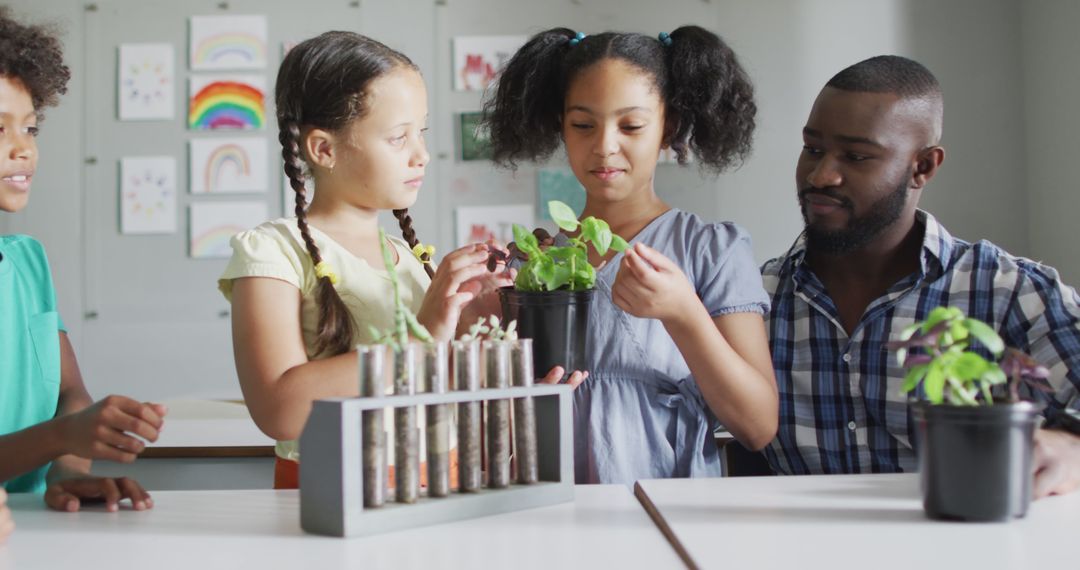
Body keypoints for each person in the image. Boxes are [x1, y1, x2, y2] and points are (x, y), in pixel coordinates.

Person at [219, 31, 579, 489]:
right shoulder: (271, 252)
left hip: (443, 487)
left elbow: (446, 400)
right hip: (334, 495)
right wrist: (423, 338)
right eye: (397, 138)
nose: (422, 155)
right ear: (323, 150)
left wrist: (516, 388)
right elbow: (279, 410)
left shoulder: (408, 259)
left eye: (421, 133)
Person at [761, 55, 1080, 497]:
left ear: (924, 167)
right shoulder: (758, 298)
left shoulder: (1011, 292)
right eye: (813, 149)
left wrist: (1069, 447)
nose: (821, 175)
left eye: (855, 156)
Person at [483, 26, 778, 484]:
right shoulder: (531, 263)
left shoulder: (711, 250)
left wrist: (684, 314)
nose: (604, 146)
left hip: (669, 520)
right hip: (551, 518)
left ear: (669, 128)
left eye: (631, 125)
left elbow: (757, 427)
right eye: (583, 124)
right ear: (560, 125)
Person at [0, 7, 166, 512]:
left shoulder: (26, 262)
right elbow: (64, 423)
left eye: (30, 129)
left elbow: (70, 393)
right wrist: (62, 437)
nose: (22, 149)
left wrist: (66, 474)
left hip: (31, 531)